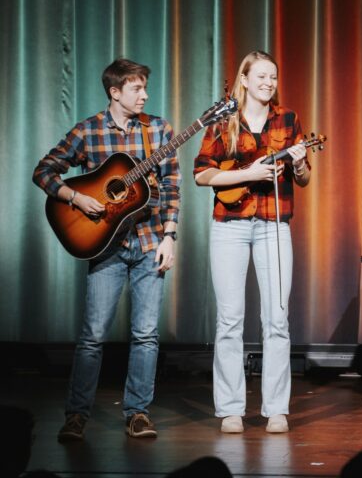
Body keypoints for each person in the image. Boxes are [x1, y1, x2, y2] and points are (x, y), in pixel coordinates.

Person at [33, 58, 180, 441]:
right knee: (93, 336)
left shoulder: (159, 130)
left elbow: (172, 187)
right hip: (104, 245)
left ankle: (138, 414)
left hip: (149, 242)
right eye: (136, 88)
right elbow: (44, 170)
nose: (144, 95)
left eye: (145, 87)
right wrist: (75, 197)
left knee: (146, 335)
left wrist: (170, 235)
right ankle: (76, 416)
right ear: (115, 92)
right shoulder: (89, 131)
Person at [194, 50, 310, 434]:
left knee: (277, 318)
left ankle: (276, 409)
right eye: (261, 76)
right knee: (230, 320)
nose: (268, 83)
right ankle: (230, 409)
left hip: (274, 225)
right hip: (230, 225)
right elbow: (202, 175)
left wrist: (300, 162)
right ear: (244, 79)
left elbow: (304, 179)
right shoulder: (223, 121)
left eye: (273, 77)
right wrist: (248, 174)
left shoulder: (288, 119)